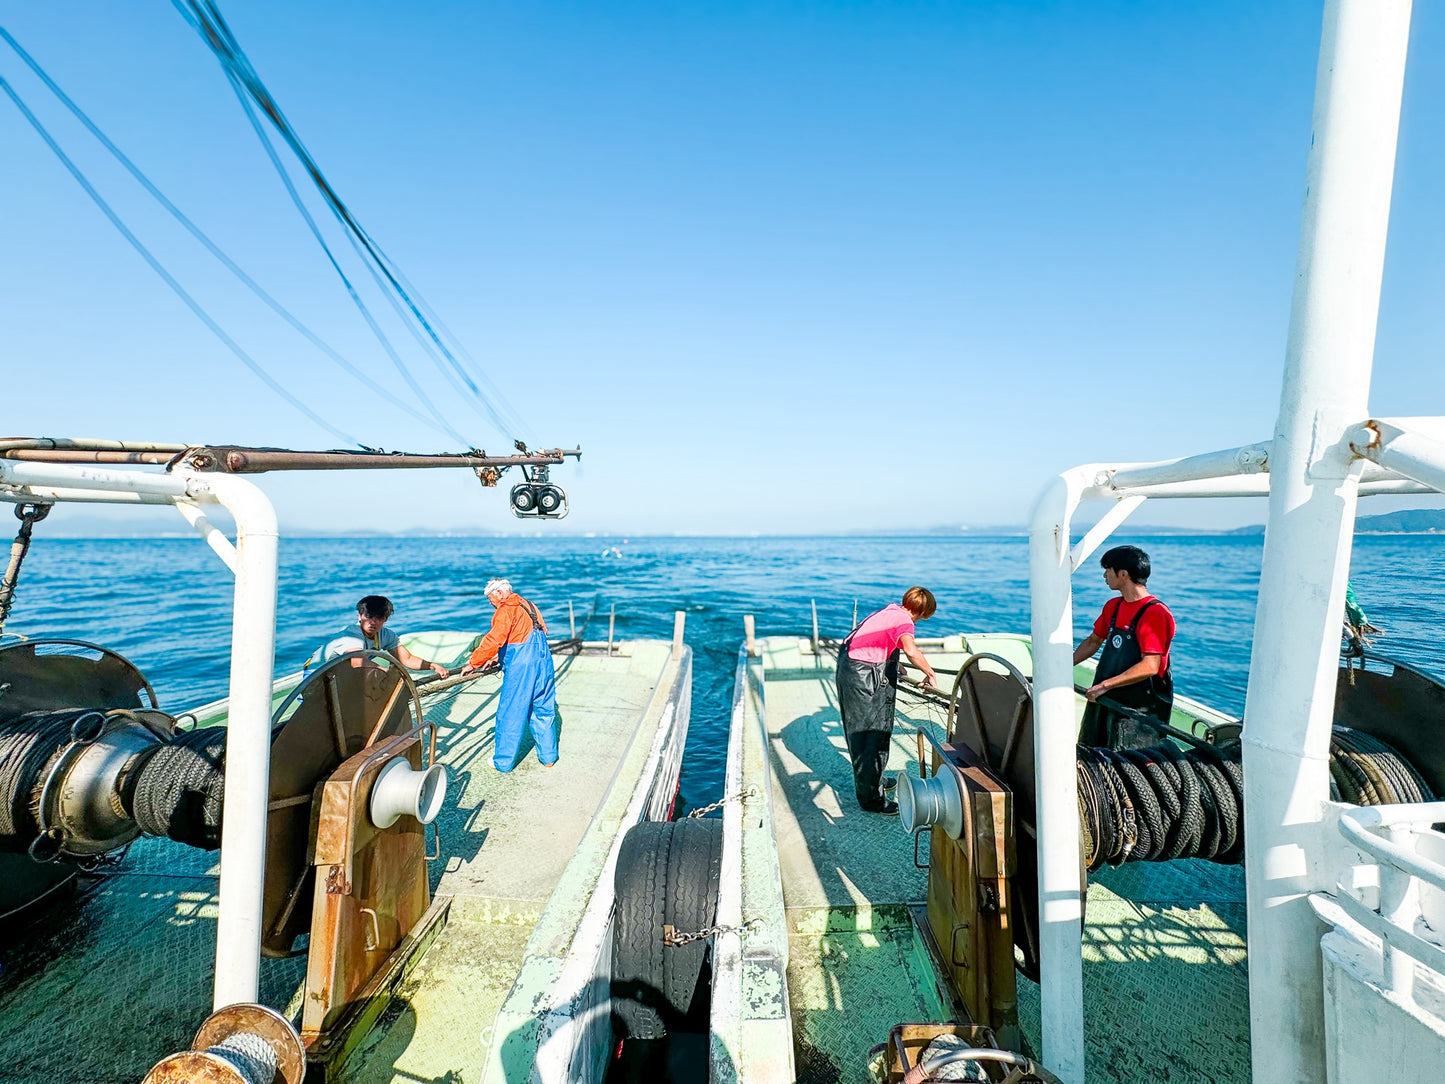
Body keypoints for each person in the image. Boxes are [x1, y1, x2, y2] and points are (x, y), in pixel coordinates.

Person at [835, 586, 940, 815]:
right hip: (862, 676)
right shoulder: (904, 621)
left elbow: (875, 640)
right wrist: (930, 674)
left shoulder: (889, 611)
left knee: (872, 731)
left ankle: (876, 781)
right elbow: (912, 650)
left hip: (851, 666)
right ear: (923, 612)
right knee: (869, 735)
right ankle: (871, 800)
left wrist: (893, 660)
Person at [1073, 545, 1175, 749]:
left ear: (1123, 574)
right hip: (1105, 699)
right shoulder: (1114, 606)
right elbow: (1094, 641)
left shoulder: (1155, 614)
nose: (1104, 575)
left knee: (1127, 763)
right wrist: (1063, 667)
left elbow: (1150, 665)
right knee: (1092, 751)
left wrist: (1105, 685)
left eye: (1107, 569)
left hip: (1137, 710)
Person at [460, 578, 558, 772]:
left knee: (511, 712)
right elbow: (537, 633)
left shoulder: (506, 609)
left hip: (522, 667)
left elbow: (494, 638)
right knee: (543, 708)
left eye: (491, 600)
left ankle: (503, 762)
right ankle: (549, 757)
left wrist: (474, 662)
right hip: (544, 662)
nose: (491, 605)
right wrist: (499, 656)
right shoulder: (531, 606)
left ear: (499, 593)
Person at [308, 595, 450, 676]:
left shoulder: (386, 635)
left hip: (340, 674)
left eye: (378, 617)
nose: (372, 622)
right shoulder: (351, 635)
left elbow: (407, 659)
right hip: (315, 675)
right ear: (359, 616)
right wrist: (387, 673)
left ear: (385, 619)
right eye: (368, 616)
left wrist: (433, 666)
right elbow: (358, 662)